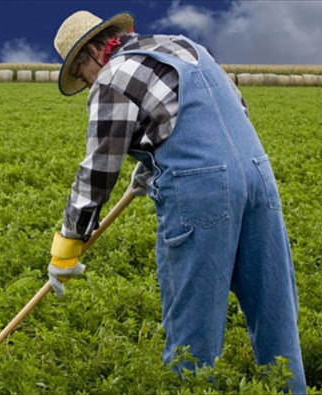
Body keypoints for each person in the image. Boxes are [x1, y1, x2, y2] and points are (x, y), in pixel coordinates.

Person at [47, 10, 307, 393]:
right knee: (275, 312)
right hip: (257, 175)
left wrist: (67, 245)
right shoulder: (186, 47)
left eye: (81, 74)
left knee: (193, 328)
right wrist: (155, 163)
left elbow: (98, 170)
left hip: (201, 193)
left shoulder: (111, 78)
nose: (87, 85)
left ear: (91, 55)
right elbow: (233, 110)